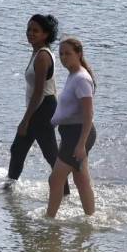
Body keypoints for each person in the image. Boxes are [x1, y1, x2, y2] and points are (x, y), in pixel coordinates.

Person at [5, 14, 69, 196]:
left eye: (35, 31)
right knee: (18, 148)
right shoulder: (37, 52)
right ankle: (9, 188)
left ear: (45, 34)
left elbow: (39, 92)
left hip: (44, 107)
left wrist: (26, 120)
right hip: (41, 107)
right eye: (29, 30)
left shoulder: (42, 56)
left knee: (50, 154)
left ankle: (64, 193)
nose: (30, 33)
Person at [46, 38, 98, 218]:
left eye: (68, 53)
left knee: (55, 179)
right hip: (71, 133)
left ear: (79, 54)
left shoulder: (82, 79)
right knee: (81, 179)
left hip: (79, 134)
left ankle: (49, 220)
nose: (63, 57)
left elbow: (89, 114)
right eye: (61, 54)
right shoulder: (73, 75)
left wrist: (81, 144)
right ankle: (91, 218)